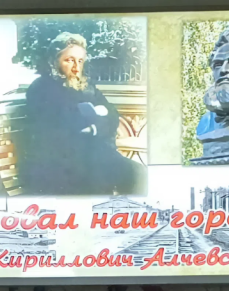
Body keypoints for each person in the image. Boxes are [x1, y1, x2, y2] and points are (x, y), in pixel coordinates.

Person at [18, 32, 146, 196]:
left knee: (139, 174)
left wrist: (92, 127)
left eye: (80, 61)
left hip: (92, 156)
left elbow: (112, 116)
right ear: (53, 61)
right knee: (103, 179)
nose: (76, 67)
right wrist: (94, 118)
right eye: (69, 60)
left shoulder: (85, 86)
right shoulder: (41, 88)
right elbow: (61, 124)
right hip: (58, 163)